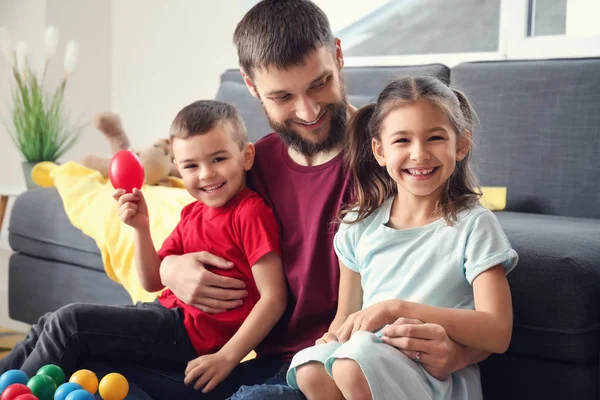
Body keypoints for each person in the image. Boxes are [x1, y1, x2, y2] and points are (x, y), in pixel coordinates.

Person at [0, 100, 287, 395]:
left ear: (246, 156)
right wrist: (141, 226)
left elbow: (274, 298)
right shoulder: (193, 213)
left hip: (188, 335)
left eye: (218, 159)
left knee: (70, 323)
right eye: (191, 165)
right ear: (177, 168)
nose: (206, 174)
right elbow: (152, 280)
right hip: (164, 315)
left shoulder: (250, 213)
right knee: (51, 322)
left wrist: (227, 357)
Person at [284, 76, 519, 400]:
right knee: (311, 367)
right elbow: (346, 316)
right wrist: (333, 337)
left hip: (437, 378)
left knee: (352, 364)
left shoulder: (474, 225)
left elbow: (497, 331)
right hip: (367, 357)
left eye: (435, 138)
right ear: (379, 150)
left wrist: (395, 309)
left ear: (461, 145)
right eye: (402, 141)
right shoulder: (358, 226)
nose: (419, 154)